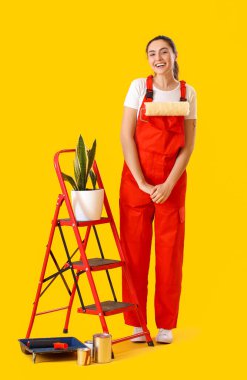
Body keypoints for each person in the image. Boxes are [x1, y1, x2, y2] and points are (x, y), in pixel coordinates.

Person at [119, 35, 197, 344]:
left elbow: (188, 147)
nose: (158, 57)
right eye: (152, 53)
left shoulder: (187, 92)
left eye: (164, 51)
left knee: (170, 254)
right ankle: (137, 324)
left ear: (175, 55)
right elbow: (126, 137)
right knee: (134, 253)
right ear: (148, 59)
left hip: (171, 183)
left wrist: (167, 184)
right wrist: (141, 181)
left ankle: (165, 325)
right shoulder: (139, 88)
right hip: (136, 180)